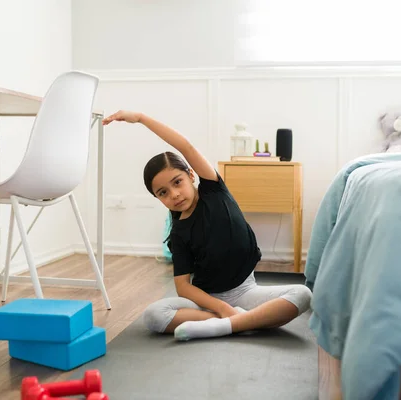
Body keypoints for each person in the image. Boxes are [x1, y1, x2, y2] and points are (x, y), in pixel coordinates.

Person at [102, 110, 312, 341]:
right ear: (158, 198)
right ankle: (236, 321)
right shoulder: (178, 233)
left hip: (246, 291)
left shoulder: (214, 189)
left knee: (302, 294)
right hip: (207, 301)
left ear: (191, 175)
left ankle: (225, 325)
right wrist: (222, 308)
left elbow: (186, 146)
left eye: (177, 182)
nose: (174, 194)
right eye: (163, 192)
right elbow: (183, 288)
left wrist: (141, 119)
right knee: (154, 315)